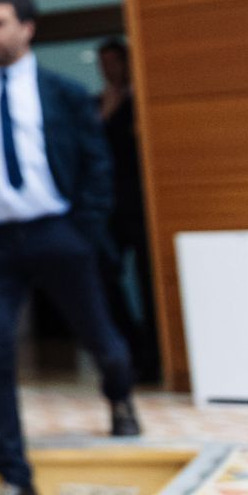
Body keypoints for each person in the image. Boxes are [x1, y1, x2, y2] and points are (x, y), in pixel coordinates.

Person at [0, 0, 140, 495]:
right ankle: (16, 481)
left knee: (101, 338)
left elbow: (99, 167)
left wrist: (84, 230)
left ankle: (119, 397)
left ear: (27, 28)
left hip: (59, 234)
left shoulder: (66, 93)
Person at [97, 38, 160, 383]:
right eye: (102, 62)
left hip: (143, 204)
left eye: (113, 61)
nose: (107, 69)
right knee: (104, 274)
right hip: (110, 208)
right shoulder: (98, 104)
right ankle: (134, 347)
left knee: (151, 284)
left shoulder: (141, 100)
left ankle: (153, 356)